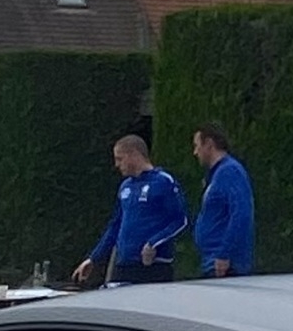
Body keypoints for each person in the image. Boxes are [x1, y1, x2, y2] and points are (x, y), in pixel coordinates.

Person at [72, 136, 187, 287]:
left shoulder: (163, 181)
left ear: (134, 154)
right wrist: (94, 258)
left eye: (120, 159)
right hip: (124, 263)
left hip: (152, 265)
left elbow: (180, 220)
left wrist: (154, 243)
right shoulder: (126, 187)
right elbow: (115, 225)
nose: (117, 164)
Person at [191, 123, 256, 277]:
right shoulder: (216, 175)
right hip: (212, 261)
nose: (195, 152)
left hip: (225, 264)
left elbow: (241, 213)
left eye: (197, 146)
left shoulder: (229, 171)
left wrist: (225, 253)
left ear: (209, 144)